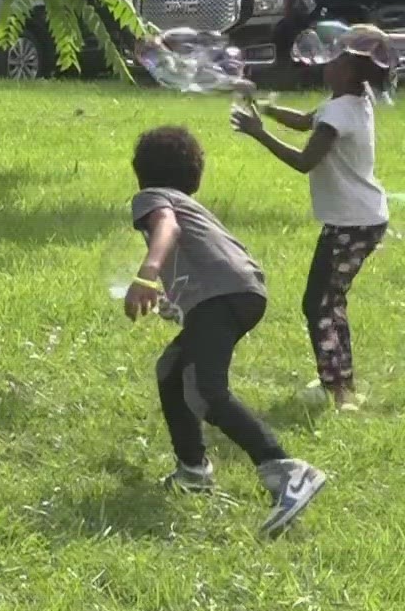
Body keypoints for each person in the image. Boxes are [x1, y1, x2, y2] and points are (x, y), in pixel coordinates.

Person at [124, 126, 327, 538]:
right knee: (172, 369)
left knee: (205, 388)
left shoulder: (153, 199)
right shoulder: (189, 203)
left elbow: (167, 229)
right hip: (241, 292)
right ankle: (193, 469)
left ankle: (286, 469)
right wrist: (177, 299)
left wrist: (146, 274)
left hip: (224, 296)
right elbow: (202, 257)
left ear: (141, 172)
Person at [230, 27, 391, 411]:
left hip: (351, 223)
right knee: (328, 301)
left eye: (336, 57)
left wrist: (258, 132)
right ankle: (339, 381)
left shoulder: (339, 113)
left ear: (352, 70)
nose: (325, 62)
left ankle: (337, 391)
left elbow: (305, 161)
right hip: (359, 219)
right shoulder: (352, 99)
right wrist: (265, 106)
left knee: (318, 303)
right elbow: (306, 121)